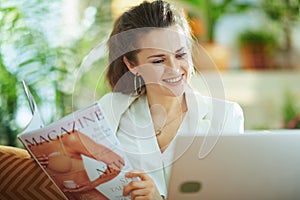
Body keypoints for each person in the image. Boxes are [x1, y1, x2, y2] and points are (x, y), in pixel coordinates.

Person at [99, 0, 244, 199]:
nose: (174, 69)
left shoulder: (226, 117)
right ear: (132, 65)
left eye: (181, 55)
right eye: (158, 60)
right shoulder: (109, 110)